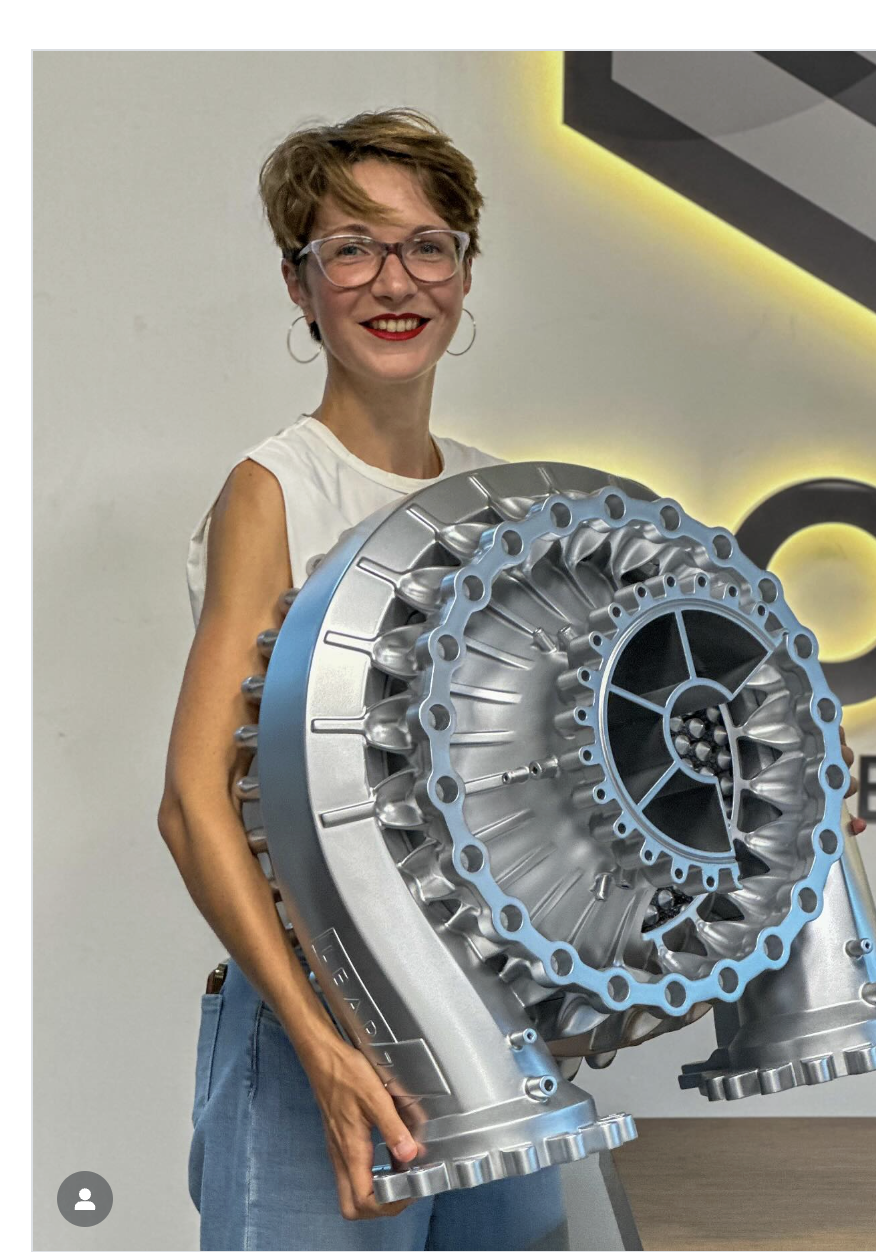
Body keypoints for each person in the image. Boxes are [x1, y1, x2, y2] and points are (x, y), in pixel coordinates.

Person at [157, 108, 571, 1251]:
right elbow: (194, 806)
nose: (395, 281)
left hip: (499, 1027)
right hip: (325, 1027)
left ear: (466, 270)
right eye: (351, 248)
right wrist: (321, 1045)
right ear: (300, 284)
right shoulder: (277, 490)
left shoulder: (509, 501)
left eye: (427, 244)